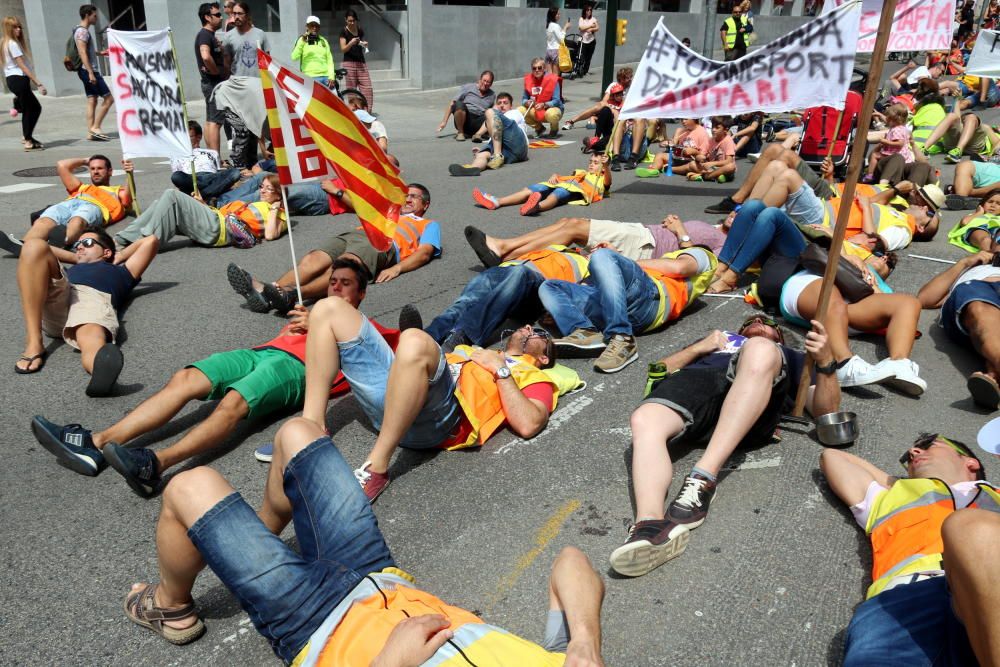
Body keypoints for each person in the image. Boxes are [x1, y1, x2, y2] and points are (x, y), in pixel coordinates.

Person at [115, 429, 606, 664]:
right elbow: (572, 563)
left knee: (190, 486)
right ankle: (254, 541)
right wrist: (583, 642)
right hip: (378, 575)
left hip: (312, 624)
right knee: (298, 435)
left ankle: (169, 605)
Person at [29, 259, 399, 496]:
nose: (335, 287)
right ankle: (96, 443)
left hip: (295, 369)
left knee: (233, 403)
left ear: (362, 293)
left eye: (345, 283)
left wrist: (325, 326)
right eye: (333, 281)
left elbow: (388, 365)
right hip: (258, 353)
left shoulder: (367, 327)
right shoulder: (309, 309)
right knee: (186, 379)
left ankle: (154, 464)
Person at [609, 316, 840, 577]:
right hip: (699, 384)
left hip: (754, 399)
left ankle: (703, 477)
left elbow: (826, 410)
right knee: (645, 419)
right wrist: (699, 348)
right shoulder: (717, 343)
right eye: (750, 321)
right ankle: (649, 527)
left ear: (780, 337)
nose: (757, 321)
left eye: (767, 322)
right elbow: (659, 370)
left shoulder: (790, 355)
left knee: (759, 350)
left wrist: (825, 362)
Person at [820, 439, 1000, 666]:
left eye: (929, 445)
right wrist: (906, 484)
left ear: (971, 462)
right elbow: (833, 457)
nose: (913, 451)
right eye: (910, 456)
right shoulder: (891, 497)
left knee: (972, 529)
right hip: (904, 599)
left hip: (991, 589)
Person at [226, 184, 440, 313]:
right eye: (405, 195)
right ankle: (266, 292)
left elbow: (425, 252)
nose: (408, 199)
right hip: (356, 233)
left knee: (342, 268)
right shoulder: (388, 210)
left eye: (414, 196)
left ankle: (291, 296)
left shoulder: (428, 224)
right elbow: (357, 204)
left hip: (381, 242)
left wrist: (398, 268)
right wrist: (338, 190)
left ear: (426, 204)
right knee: (312, 261)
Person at [14, 227, 158, 396]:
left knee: (90, 333)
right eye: (78, 244)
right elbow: (32, 248)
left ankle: (99, 372)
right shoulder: (71, 269)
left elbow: (151, 241)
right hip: (64, 293)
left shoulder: (123, 272)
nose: (80, 247)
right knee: (33, 246)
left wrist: (119, 255)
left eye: (88, 243)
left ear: (106, 252)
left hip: (92, 299)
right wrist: (77, 257)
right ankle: (34, 343)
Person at [541, 246, 716, 373]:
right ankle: (584, 331)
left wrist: (614, 258)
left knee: (602, 255)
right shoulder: (663, 258)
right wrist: (566, 309)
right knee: (549, 286)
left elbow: (679, 268)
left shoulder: (701, 254)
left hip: (650, 300)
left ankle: (622, 337)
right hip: (616, 306)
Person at [426, 244, 590, 352]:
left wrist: (556, 310)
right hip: (504, 273)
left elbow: (583, 299)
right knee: (465, 302)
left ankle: (465, 336)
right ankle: (425, 338)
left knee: (521, 273)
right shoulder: (558, 247)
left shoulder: (591, 271)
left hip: (535, 291)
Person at [463, 213, 726, 268]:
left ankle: (505, 250)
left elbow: (699, 264)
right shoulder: (718, 227)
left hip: (646, 247)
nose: (736, 213)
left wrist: (681, 231)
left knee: (574, 228)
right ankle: (506, 252)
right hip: (641, 231)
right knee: (567, 223)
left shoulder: (726, 244)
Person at [918, 243, 1000, 409]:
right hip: (979, 294)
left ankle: (995, 376)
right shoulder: (976, 267)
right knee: (978, 308)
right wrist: (963, 264)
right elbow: (925, 299)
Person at [0, 156, 134, 256]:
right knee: (44, 220)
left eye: (100, 168)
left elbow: (128, 197)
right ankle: (25, 244)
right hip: (69, 204)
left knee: (77, 220)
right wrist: (86, 160)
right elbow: (61, 165)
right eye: (92, 169)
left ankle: (63, 241)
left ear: (110, 171)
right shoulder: (81, 187)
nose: (95, 172)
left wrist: (130, 174)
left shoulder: (117, 191)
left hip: (95, 207)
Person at [113, 174, 286, 250]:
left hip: (220, 229)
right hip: (215, 220)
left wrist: (275, 207)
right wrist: (202, 205)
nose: (262, 191)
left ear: (278, 193)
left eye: (268, 189)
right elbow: (222, 213)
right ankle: (121, 240)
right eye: (262, 187)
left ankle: (143, 244)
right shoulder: (256, 203)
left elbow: (270, 235)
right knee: (162, 204)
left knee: (172, 195)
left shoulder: (278, 214)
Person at [472, 153, 611, 216]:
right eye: (590, 161)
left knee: (558, 194)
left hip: (576, 192)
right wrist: (556, 176)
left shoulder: (603, 176)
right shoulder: (581, 171)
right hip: (563, 184)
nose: (592, 164)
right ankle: (498, 201)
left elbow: (608, 183)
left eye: (596, 163)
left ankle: (536, 207)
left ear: (603, 166)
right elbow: (567, 178)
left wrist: (606, 167)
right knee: (536, 189)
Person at [447, 93, 529, 176]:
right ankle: (474, 168)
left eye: (505, 103)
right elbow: (496, 134)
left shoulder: (514, 113)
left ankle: (497, 156)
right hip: (510, 154)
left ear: (511, 106)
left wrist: (492, 113)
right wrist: (484, 150)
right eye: (499, 103)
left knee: (489, 111)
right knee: (482, 154)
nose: (502, 105)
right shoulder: (494, 122)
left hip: (518, 143)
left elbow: (502, 127)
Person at [641, 117, 736, 182]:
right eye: (713, 127)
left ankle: (707, 176)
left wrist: (695, 152)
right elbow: (702, 155)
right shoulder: (684, 132)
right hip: (703, 165)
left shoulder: (726, 140)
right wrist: (701, 158)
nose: (713, 130)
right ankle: (654, 169)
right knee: (660, 155)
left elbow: (728, 161)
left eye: (717, 128)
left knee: (731, 167)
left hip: (719, 166)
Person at [2, 16, 44, 151]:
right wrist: (38, 82)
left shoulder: (3, 42)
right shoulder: (13, 44)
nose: (19, 29)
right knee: (33, 109)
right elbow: (22, 66)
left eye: (19, 26)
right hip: (19, 79)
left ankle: (27, 136)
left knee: (31, 108)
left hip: (12, 80)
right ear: (8, 29)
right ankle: (27, 139)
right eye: (15, 27)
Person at [170, 120, 241, 199]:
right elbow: (177, 178)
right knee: (176, 176)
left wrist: (226, 168)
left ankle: (202, 196)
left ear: (199, 137)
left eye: (189, 137)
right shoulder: (176, 155)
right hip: (191, 178)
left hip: (210, 177)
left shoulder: (212, 152)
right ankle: (208, 194)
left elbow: (218, 171)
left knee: (235, 173)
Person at [73, 4, 113, 141]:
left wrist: (99, 53)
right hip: (89, 71)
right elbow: (82, 52)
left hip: (85, 70)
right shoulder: (83, 31)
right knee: (109, 99)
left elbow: (85, 51)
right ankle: (96, 127)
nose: (96, 18)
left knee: (92, 100)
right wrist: (90, 72)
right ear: (87, 15)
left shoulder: (78, 30)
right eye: (94, 15)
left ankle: (91, 133)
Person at [194, 2, 227, 154]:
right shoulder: (205, 35)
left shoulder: (209, 35)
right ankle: (216, 160)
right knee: (215, 122)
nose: (221, 18)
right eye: (217, 15)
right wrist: (215, 72)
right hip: (213, 84)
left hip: (212, 83)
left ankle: (212, 157)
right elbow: (205, 56)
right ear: (207, 17)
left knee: (211, 120)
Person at [919, 108, 1000, 163]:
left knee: (971, 117)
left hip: (974, 147)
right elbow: (957, 115)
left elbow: (997, 143)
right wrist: (957, 98)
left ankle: (958, 151)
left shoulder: (986, 128)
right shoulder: (965, 124)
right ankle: (924, 149)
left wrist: (990, 156)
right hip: (953, 146)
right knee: (951, 116)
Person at [436, 70, 495, 141]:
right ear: (480, 79)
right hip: (465, 119)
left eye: (488, 82)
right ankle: (461, 133)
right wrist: (444, 122)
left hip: (479, 121)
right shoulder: (468, 87)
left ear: (491, 84)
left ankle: (478, 134)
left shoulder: (492, 95)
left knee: (492, 113)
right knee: (458, 104)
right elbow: (452, 103)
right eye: (484, 80)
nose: (485, 83)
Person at [865, 105, 914, 184]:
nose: (886, 121)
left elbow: (900, 144)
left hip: (894, 154)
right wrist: (880, 115)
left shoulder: (896, 130)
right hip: (900, 154)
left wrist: (886, 142)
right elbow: (887, 120)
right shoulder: (901, 127)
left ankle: (870, 175)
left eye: (888, 119)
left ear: (894, 120)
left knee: (875, 155)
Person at [520, 57, 564, 138]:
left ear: (544, 69)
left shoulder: (552, 79)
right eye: (534, 68)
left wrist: (544, 105)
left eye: (539, 68)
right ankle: (539, 128)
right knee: (520, 111)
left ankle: (554, 129)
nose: (537, 70)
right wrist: (527, 102)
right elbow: (523, 99)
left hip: (552, 109)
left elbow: (557, 101)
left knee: (551, 114)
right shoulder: (529, 80)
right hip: (536, 109)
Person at [221, 2, 269, 78]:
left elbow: (267, 60)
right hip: (237, 82)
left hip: (257, 81)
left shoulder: (260, 34)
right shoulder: (228, 36)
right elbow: (226, 63)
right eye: (234, 13)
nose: (236, 16)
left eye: (240, 13)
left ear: (247, 15)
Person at [340, 10, 373, 111]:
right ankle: (354, 112)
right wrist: (351, 43)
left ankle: (367, 111)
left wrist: (364, 44)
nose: (352, 23)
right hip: (349, 62)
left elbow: (360, 43)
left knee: (367, 88)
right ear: (346, 20)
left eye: (353, 20)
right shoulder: (344, 31)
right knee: (352, 90)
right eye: (349, 21)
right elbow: (343, 49)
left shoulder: (360, 30)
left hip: (361, 62)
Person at [292, 15, 335, 88]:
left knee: (333, 98)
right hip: (310, 77)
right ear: (307, 26)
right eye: (312, 25)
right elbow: (294, 57)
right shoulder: (301, 40)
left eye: (317, 26)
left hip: (326, 77)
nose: (314, 28)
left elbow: (329, 60)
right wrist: (302, 41)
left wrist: (331, 76)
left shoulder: (323, 41)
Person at [545, 7, 571, 75]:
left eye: (559, 14)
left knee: (549, 75)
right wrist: (565, 27)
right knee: (555, 76)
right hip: (555, 51)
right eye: (557, 14)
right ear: (553, 15)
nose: (559, 15)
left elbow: (557, 36)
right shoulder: (555, 25)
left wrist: (563, 30)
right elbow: (561, 38)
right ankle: (555, 86)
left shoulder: (548, 25)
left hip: (548, 50)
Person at [578, 3, 599, 76]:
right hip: (583, 40)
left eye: (590, 10)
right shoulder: (581, 18)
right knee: (582, 56)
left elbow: (597, 28)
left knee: (589, 57)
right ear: (585, 11)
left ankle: (585, 71)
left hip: (591, 40)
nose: (589, 11)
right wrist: (590, 25)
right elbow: (581, 28)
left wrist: (591, 29)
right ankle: (579, 70)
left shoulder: (593, 19)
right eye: (588, 10)